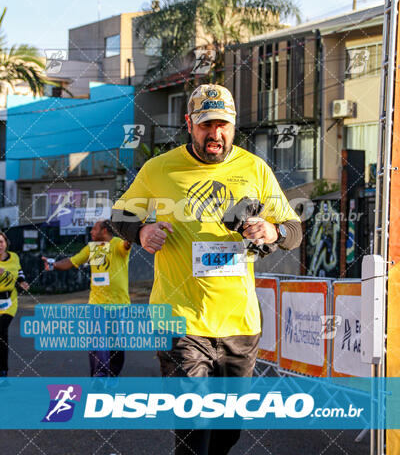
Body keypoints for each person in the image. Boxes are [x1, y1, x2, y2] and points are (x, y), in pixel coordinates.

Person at [111, 84, 303, 455]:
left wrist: (273, 231)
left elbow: (293, 230)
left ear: (232, 126)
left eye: (223, 125)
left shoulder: (254, 168)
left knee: (227, 432)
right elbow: (120, 215)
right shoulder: (159, 169)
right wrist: (142, 230)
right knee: (195, 427)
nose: (215, 134)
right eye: (206, 125)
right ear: (189, 124)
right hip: (180, 319)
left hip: (239, 324)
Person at [43, 219, 131, 377]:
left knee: (116, 344)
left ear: (104, 231)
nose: (91, 232)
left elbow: (125, 246)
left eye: (94, 229)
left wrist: (130, 235)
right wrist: (53, 264)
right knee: (99, 341)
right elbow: (72, 261)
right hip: (97, 304)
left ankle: (113, 374)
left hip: (119, 304)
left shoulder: (117, 243)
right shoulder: (93, 249)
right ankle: (100, 375)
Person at [0, 231, 30, 380]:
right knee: (2, 336)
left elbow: (19, 272)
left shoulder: (14, 257)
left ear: (6, 243)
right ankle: (3, 370)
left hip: (9, 303)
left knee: (2, 330)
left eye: (1, 242)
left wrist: (22, 282)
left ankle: (3, 371)